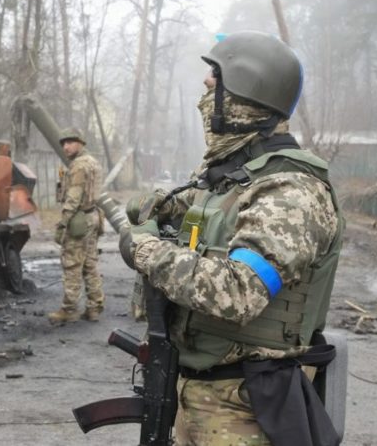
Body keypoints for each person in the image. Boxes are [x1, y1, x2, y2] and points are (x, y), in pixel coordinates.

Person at [119, 31, 344, 446]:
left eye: (216, 85)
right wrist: (150, 210)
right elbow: (176, 205)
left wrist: (147, 251)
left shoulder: (290, 191)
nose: (205, 94)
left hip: (245, 407)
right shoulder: (233, 178)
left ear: (248, 97)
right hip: (199, 394)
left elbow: (240, 292)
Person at [48, 127, 104, 324]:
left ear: (80, 142)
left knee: (72, 264)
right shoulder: (93, 162)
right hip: (93, 216)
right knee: (90, 264)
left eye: (70, 142)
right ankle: (94, 307)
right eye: (63, 143)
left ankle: (69, 309)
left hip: (79, 219)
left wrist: (62, 224)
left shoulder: (79, 166)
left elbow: (73, 198)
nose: (65, 146)